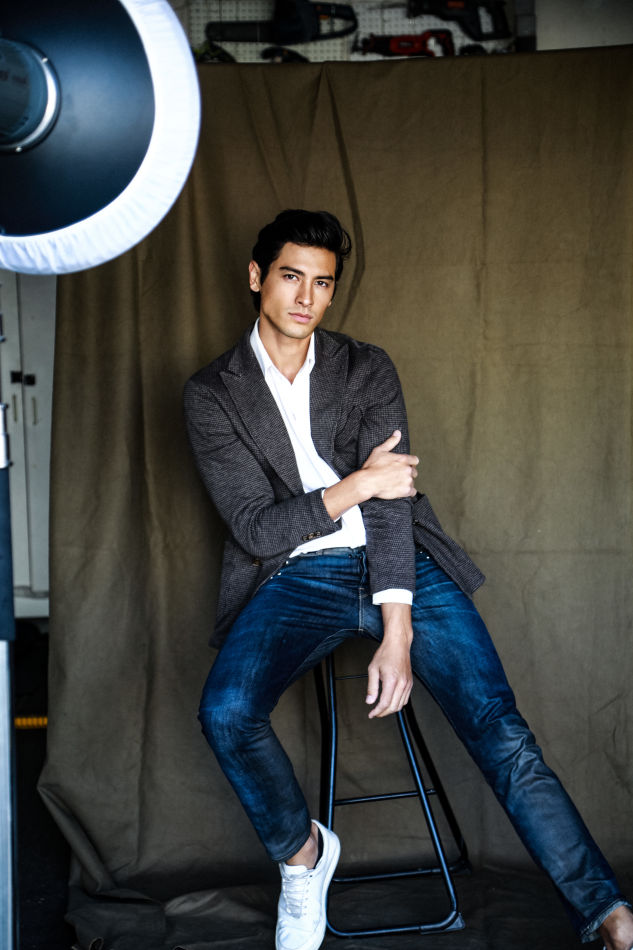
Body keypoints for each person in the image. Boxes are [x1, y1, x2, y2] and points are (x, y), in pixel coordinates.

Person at [184, 209, 633, 950]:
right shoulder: (212, 392)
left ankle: (608, 914)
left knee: (500, 731)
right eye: (291, 276)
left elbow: (393, 510)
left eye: (322, 283)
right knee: (227, 712)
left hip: (401, 563)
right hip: (297, 575)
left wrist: (398, 629)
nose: (306, 298)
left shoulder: (365, 367)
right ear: (257, 277)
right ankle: (303, 858)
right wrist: (358, 484)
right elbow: (257, 529)